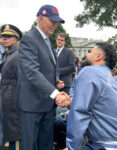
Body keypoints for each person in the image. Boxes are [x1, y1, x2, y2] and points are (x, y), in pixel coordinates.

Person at [66, 42, 117, 150]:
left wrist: (71, 147)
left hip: (109, 144)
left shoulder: (89, 71)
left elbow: (79, 113)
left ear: (99, 56)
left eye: (90, 51)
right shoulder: (109, 76)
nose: (88, 54)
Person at [18, 4, 69, 150]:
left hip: (47, 105)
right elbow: (32, 72)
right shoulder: (29, 39)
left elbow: (49, 69)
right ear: (40, 18)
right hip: (32, 105)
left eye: (56, 22)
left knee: (46, 145)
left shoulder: (47, 42)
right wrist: (55, 94)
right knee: (30, 145)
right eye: (52, 20)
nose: (55, 24)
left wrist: (57, 82)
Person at [0, 24, 22, 150]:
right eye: (3, 36)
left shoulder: (18, 55)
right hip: (8, 100)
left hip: (14, 103)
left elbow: (23, 81)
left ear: (17, 39)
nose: (4, 39)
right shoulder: (9, 54)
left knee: (16, 138)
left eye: (8, 36)